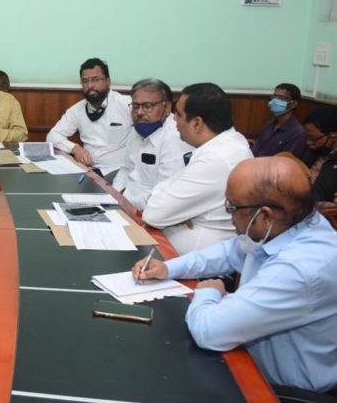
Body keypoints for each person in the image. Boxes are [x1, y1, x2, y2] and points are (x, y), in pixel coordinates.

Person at [132, 156, 337, 393]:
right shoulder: (291, 223)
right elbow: (230, 251)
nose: (229, 216)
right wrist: (169, 268)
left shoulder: (300, 269)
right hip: (246, 356)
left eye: (232, 207)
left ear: (265, 216)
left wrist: (208, 291)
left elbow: (209, 331)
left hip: (277, 389)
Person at [142, 83, 253, 255]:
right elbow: (159, 196)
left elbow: (153, 214)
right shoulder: (224, 144)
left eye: (178, 114)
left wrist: (171, 210)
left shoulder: (216, 158)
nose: (173, 119)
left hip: (200, 264)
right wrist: (178, 213)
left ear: (196, 123)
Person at [111, 78, 193, 210]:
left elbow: (164, 198)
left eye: (147, 106)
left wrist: (124, 198)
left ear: (167, 108)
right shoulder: (138, 129)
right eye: (135, 106)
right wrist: (114, 196)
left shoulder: (175, 138)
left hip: (153, 212)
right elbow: (125, 170)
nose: (139, 112)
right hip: (128, 205)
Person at [46, 57, 133, 173]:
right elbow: (52, 136)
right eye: (85, 81)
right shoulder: (77, 110)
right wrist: (74, 148)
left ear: (108, 81)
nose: (90, 85)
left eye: (96, 80)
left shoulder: (127, 104)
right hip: (89, 170)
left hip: (120, 171)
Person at [251, 83, 306, 158]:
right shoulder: (269, 124)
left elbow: (287, 161)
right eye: (274, 97)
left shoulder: (297, 133)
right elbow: (256, 148)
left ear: (293, 104)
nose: (275, 101)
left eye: (281, 98)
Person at [302, 107, 337, 204]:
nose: (308, 142)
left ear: (333, 136)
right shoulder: (315, 151)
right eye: (307, 137)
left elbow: (334, 208)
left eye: (313, 139)